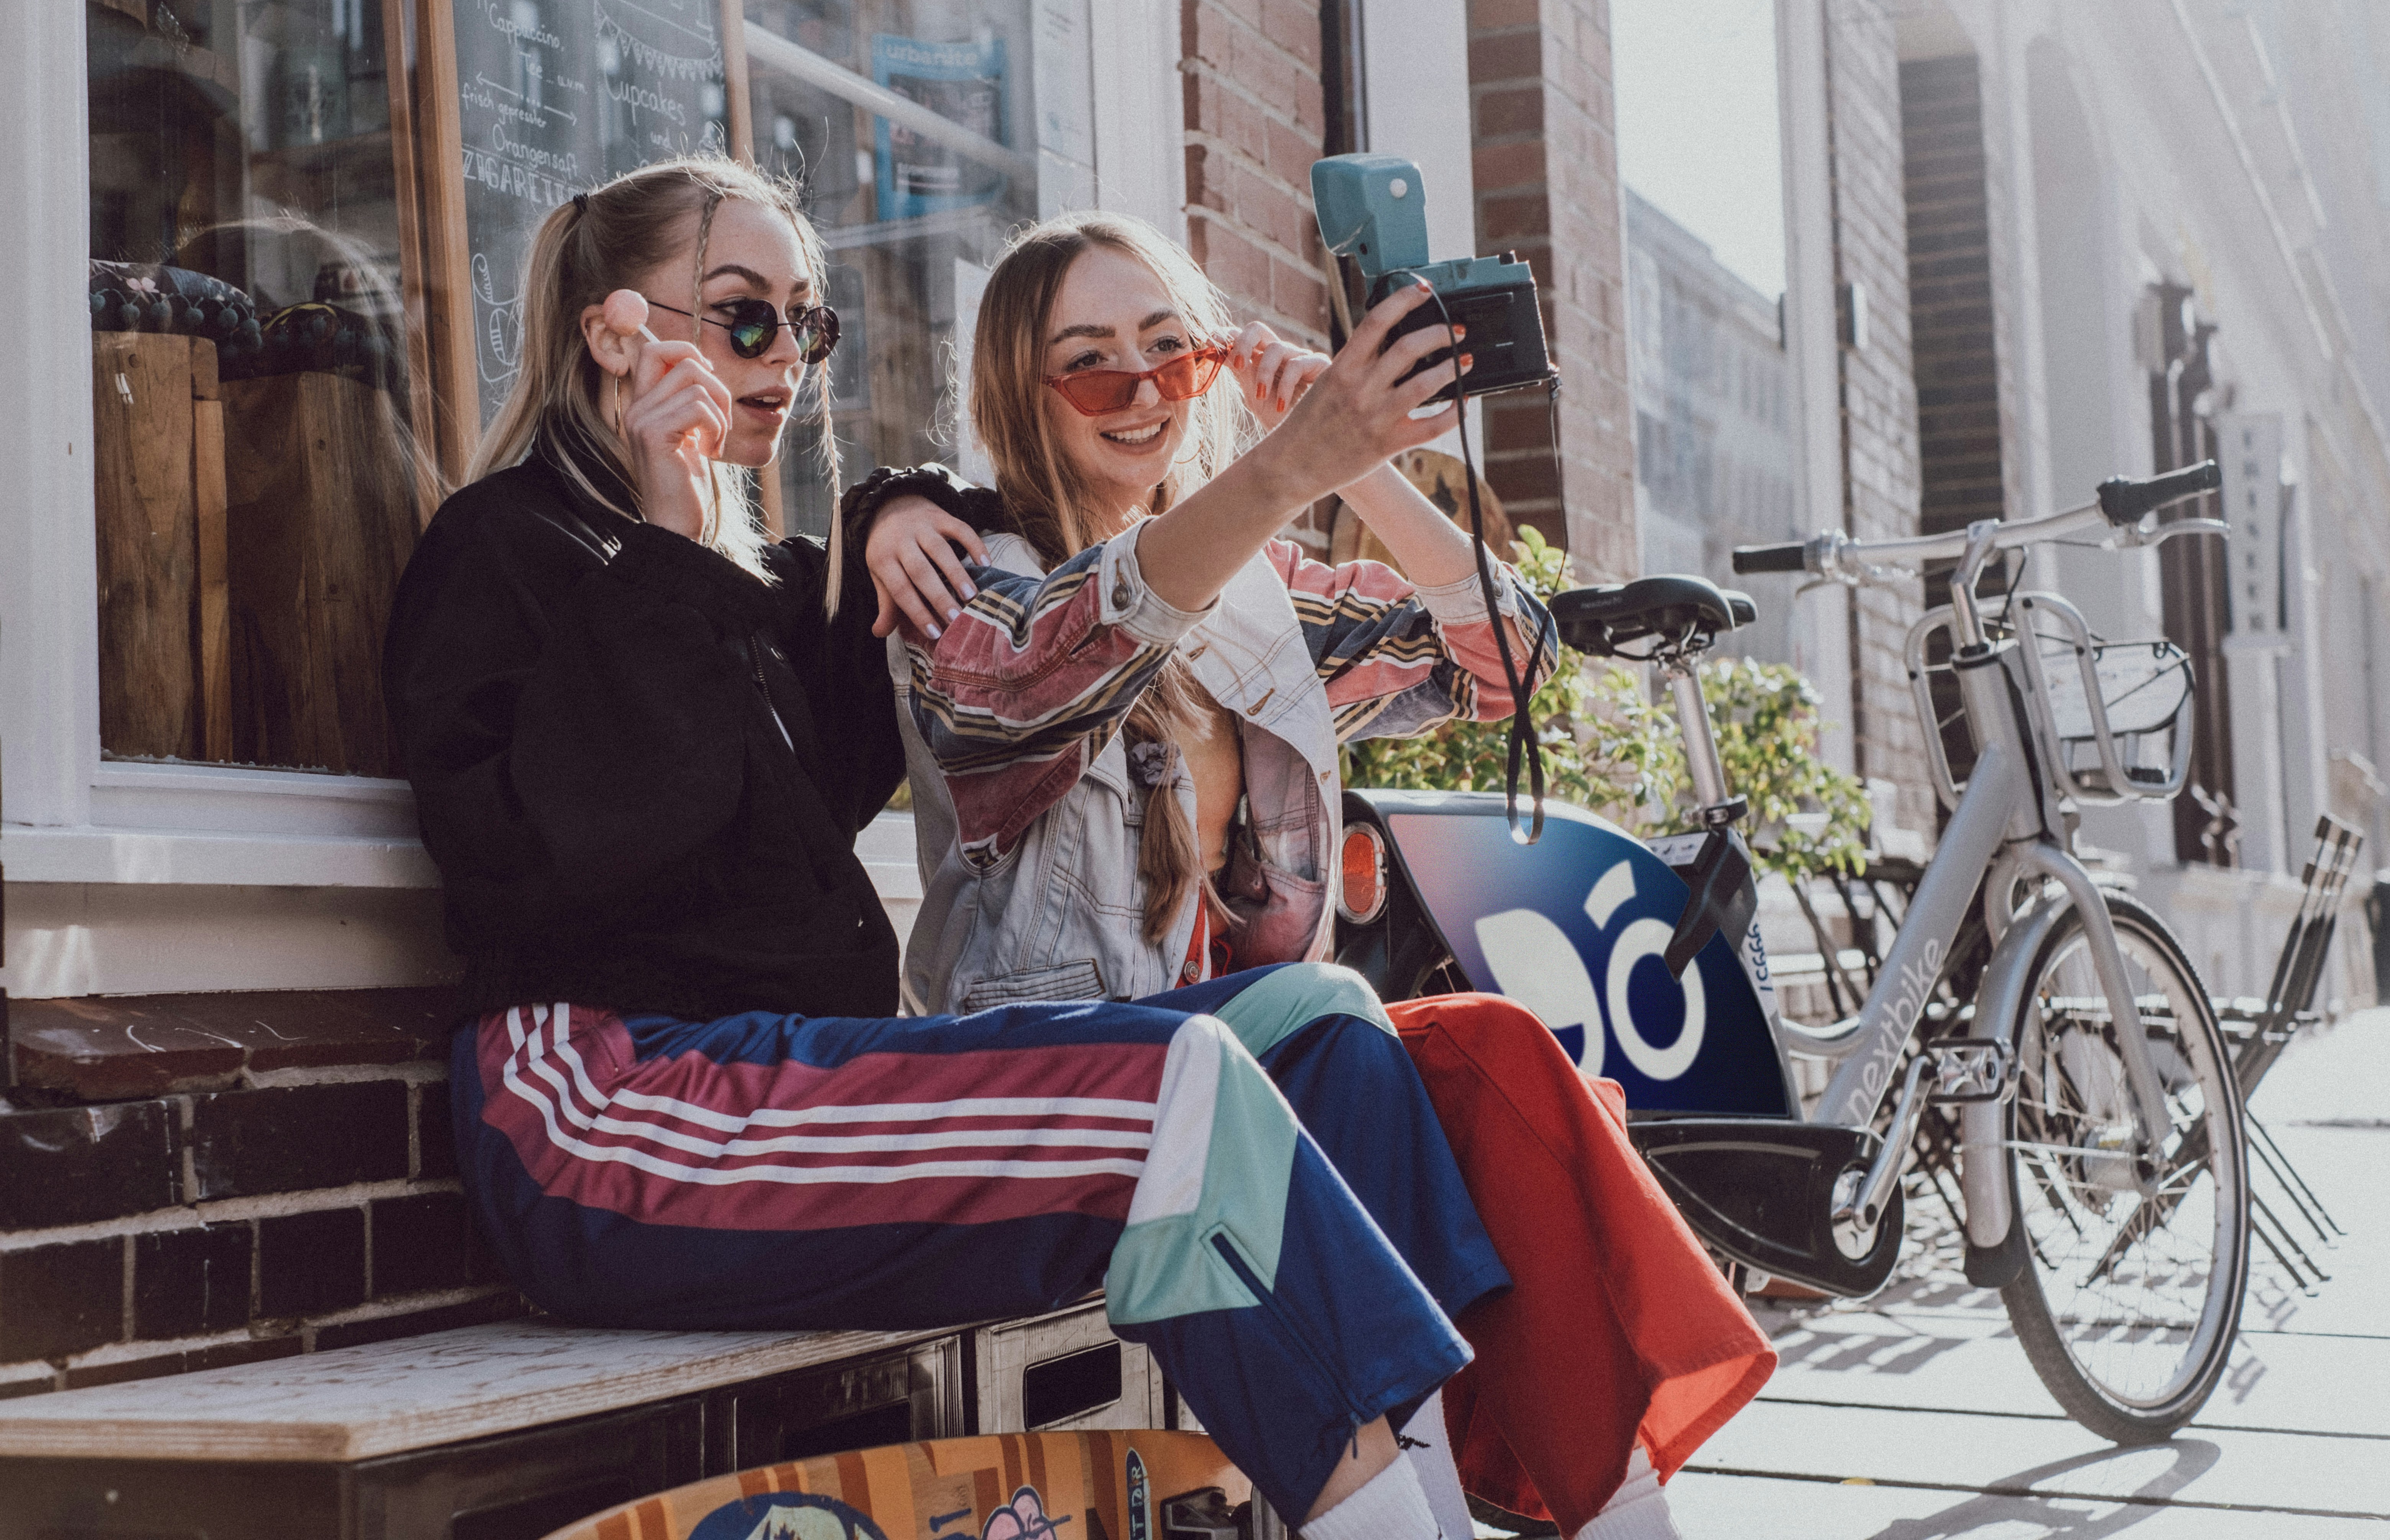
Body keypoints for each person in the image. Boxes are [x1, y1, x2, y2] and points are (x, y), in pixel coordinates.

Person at [382, 156, 1531, 1540]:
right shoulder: (508, 546)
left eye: (806, 327)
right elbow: (567, 859)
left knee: (1335, 1029)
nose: (786, 358)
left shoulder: (776, 590)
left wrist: (898, 502)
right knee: (1180, 1084)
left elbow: (1001, 637)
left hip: (785, 1095)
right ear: (615, 333)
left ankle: (1442, 1514)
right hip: (603, 1109)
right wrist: (675, 537)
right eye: (744, 316)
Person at [863, 210, 1776, 1540]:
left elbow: (1508, 666)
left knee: (1496, 1061)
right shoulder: (975, 584)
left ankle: (1613, 1510)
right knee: (1345, 1036)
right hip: (1059, 1074)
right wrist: (1290, 469)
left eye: (1169, 355)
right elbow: (1044, 673)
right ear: (1023, 391)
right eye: (1092, 366)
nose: (1140, 394)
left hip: (1267, 1055)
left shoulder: (1259, 597)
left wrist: (1377, 467)